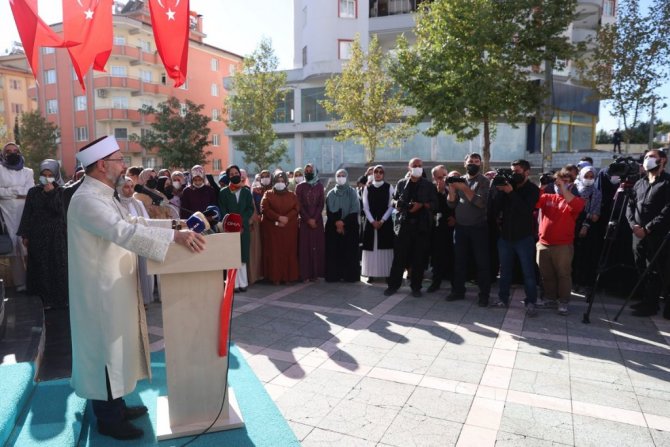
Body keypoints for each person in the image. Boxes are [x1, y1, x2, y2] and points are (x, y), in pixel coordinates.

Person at [67, 135, 205, 440]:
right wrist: (174, 238)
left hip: (113, 288)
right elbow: (122, 232)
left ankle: (116, 407)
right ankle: (108, 419)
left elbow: (134, 222)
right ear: (102, 165)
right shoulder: (87, 199)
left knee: (116, 348)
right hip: (99, 294)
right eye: (119, 160)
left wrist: (174, 228)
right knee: (104, 351)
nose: (123, 166)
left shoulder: (105, 195)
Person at [490, 160, 540, 314]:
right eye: (512, 171)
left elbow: (526, 210)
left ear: (527, 172)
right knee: (505, 271)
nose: (514, 174)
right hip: (505, 237)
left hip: (524, 237)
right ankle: (502, 299)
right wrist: (499, 190)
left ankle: (531, 302)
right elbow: (495, 208)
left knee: (528, 272)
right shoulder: (508, 185)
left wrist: (511, 193)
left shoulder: (533, 189)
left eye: (517, 171)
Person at [17, 159, 68, 309]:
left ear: (56, 175)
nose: (46, 178)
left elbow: (60, 211)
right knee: (40, 267)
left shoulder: (62, 191)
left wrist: (51, 193)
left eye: (50, 175)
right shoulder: (33, 192)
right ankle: (42, 300)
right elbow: (28, 213)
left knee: (57, 266)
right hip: (37, 236)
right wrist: (25, 234)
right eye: (44, 175)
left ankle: (60, 300)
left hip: (56, 237)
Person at [626, 149, 670, 318]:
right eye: (646, 157)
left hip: (657, 234)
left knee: (655, 269)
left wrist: (648, 228)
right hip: (637, 233)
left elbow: (667, 210)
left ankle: (651, 304)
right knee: (641, 266)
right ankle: (645, 299)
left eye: (652, 157)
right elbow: (630, 205)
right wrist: (633, 225)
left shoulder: (667, 182)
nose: (647, 159)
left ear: (662, 160)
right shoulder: (640, 183)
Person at [536, 167, 585, 315]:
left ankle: (563, 301)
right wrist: (542, 186)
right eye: (558, 182)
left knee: (563, 274)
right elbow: (534, 202)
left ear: (571, 184)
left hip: (563, 245)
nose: (560, 184)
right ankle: (550, 298)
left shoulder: (576, 200)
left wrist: (563, 187)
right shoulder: (547, 197)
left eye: (566, 181)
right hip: (544, 243)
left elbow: (576, 206)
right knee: (546, 275)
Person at [385, 158, 436, 297]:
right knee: (399, 258)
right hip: (404, 224)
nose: (417, 168)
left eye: (420, 166)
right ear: (409, 167)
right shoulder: (402, 183)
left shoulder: (429, 185)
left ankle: (416, 287)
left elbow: (435, 204)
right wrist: (397, 204)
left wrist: (422, 205)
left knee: (418, 258)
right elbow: (393, 200)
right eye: (415, 165)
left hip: (421, 226)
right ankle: (393, 285)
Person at [447, 153, 491, 306]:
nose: (473, 163)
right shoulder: (460, 180)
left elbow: (481, 203)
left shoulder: (484, 181)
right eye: (470, 161)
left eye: (476, 161)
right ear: (464, 163)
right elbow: (452, 204)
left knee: (482, 263)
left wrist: (464, 188)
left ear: (480, 164)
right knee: (459, 261)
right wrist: (451, 190)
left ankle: (484, 295)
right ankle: (458, 291)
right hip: (461, 228)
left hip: (478, 228)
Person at [116, 176, 155, 306]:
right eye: (126, 187)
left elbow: (146, 221)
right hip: (125, 245)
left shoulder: (138, 203)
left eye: (132, 186)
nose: (130, 190)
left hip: (140, 242)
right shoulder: (116, 203)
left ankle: (144, 301)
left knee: (143, 272)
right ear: (119, 188)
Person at [0, 142, 34, 291]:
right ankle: (20, 283)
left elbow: (30, 191)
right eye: (8, 151)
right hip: (6, 213)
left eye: (15, 150)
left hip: (25, 212)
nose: (12, 153)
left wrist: (7, 191)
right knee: (13, 249)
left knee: (27, 246)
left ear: (19, 153)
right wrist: (17, 191)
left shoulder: (28, 172)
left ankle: (34, 281)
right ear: (3, 154)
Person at [218, 164, 255, 292]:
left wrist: (241, 222)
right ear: (228, 177)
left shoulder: (246, 191)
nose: (234, 175)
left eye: (236, 173)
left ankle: (243, 283)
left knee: (243, 255)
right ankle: (233, 285)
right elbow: (223, 210)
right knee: (232, 255)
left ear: (240, 174)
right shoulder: (224, 192)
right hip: (230, 228)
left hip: (243, 227)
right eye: (231, 174)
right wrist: (232, 223)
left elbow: (250, 209)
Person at [260, 171, 299, 284]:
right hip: (273, 230)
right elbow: (265, 209)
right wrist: (278, 218)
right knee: (274, 253)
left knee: (288, 252)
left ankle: (288, 277)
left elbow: (296, 208)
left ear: (286, 182)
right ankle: (275, 277)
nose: (280, 183)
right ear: (274, 182)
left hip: (288, 230)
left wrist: (287, 218)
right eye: (278, 181)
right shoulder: (268, 194)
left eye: (282, 181)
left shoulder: (292, 195)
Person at [325, 169, 361, 282]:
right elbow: (329, 211)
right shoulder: (331, 193)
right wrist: (337, 223)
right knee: (334, 252)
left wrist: (343, 223)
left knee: (349, 252)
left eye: (343, 175)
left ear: (347, 177)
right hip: (333, 227)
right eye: (339, 176)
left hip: (350, 226)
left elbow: (355, 209)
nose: (341, 178)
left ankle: (349, 276)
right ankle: (334, 275)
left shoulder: (352, 192)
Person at [361, 165, 395, 282]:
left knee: (385, 247)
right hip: (371, 222)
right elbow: (365, 207)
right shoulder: (367, 188)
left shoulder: (389, 187)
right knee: (371, 247)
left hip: (385, 222)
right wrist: (372, 221)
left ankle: (387, 273)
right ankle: (371, 273)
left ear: (383, 174)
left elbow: (391, 206)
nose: (378, 174)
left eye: (381, 172)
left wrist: (382, 220)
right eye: (376, 172)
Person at [573, 166, 602, 294]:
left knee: (586, 257)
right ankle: (573, 282)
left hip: (589, 229)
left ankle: (584, 283)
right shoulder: (574, 190)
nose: (589, 179)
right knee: (574, 256)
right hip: (573, 226)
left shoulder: (597, 193)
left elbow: (595, 216)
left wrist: (585, 223)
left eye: (591, 177)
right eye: (586, 176)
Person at [295, 163, 325, 282]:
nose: (308, 173)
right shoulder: (300, 187)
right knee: (305, 247)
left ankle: (316, 273)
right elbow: (299, 205)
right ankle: (305, 274)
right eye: (306, 171)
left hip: (317, 221)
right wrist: (308, 219)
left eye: (310, 170)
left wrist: (314, 218)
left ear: (315, 172)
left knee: (317, 246)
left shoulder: (320, 186)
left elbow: (321, 204)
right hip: (304, 222)